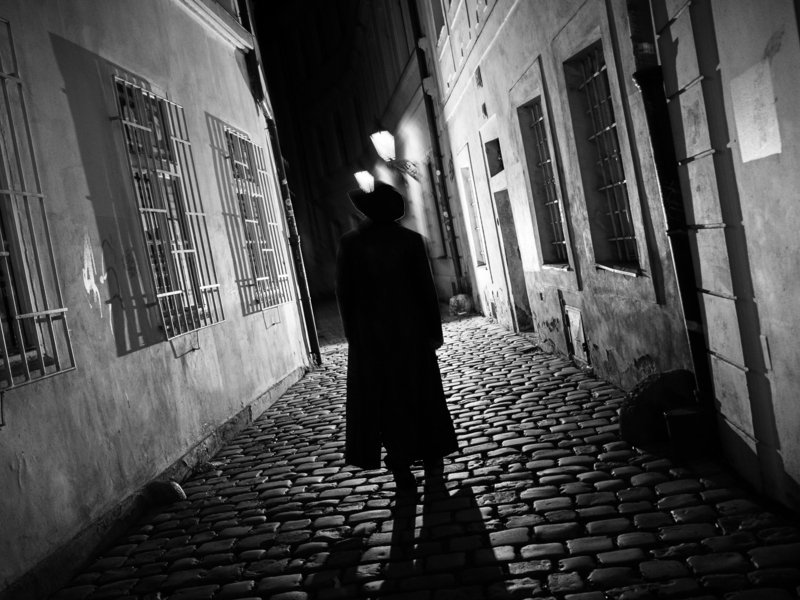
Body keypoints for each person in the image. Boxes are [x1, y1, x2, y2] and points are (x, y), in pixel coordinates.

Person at [335, 181, 458, 487]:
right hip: (411, 334)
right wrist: (433, 332)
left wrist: (355, 338)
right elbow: (426, 291)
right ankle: (432, 458)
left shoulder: (351, 244)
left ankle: (400, 463)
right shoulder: (410, 241)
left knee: (385, 402)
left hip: (372, 340)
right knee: (422, 396)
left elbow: (345, 297)